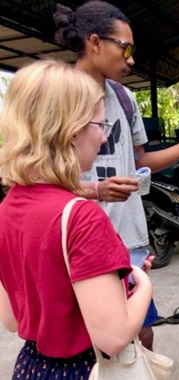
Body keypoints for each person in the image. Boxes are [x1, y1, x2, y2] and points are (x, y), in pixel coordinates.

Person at [53, 0, 179, 350]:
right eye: (125, 48)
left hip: (127, 240)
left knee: (142, 333)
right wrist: (95, 190)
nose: (131, 60)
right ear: (95, 42)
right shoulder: (56, 98)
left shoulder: (125, 98)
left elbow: (140, 160)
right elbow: (38, 184)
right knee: (91, 341)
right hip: (76, 245)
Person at [0, 59, 153, 378]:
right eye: (100, 126)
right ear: (70, 132)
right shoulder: (81, 216)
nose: (102, 138)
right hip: (85, 370)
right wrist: (143, 285)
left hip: (33, 368)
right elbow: (112, 337)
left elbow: (13, 320)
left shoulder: (8, 208)